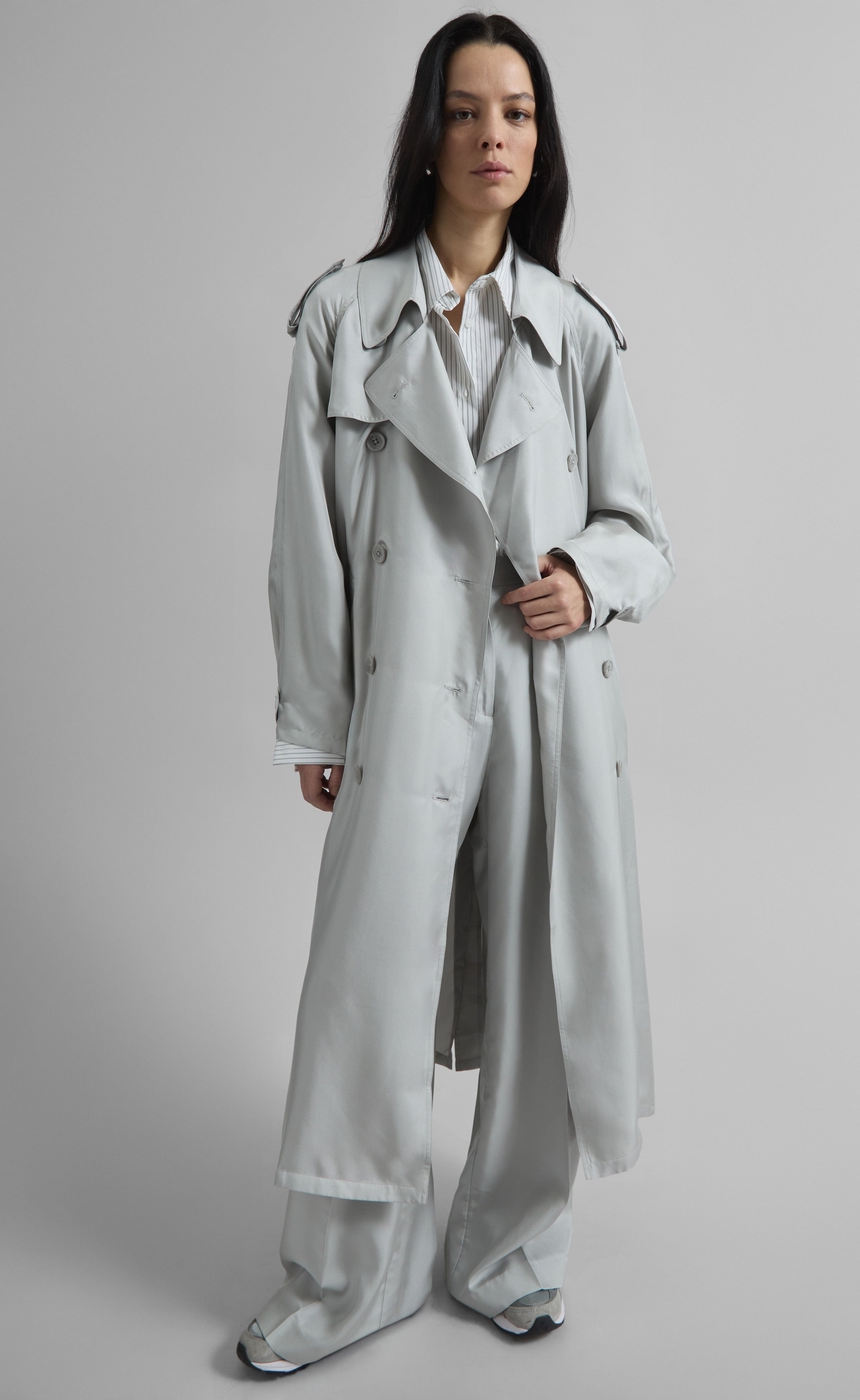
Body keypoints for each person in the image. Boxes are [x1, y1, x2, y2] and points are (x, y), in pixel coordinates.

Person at [237, 11, 674, 1374]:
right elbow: (306, 541)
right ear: (427, 133)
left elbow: (643, 530)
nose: (495, 136)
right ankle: (346, 1276)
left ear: (542, 144)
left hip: (545, 694)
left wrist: (585, 577)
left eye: (519, 113)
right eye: (469, 110)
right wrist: (316, 719)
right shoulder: (343, 315)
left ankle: (510, 1251)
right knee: (365, 983)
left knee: (543, 971)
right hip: (404, 692)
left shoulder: (578, 329)